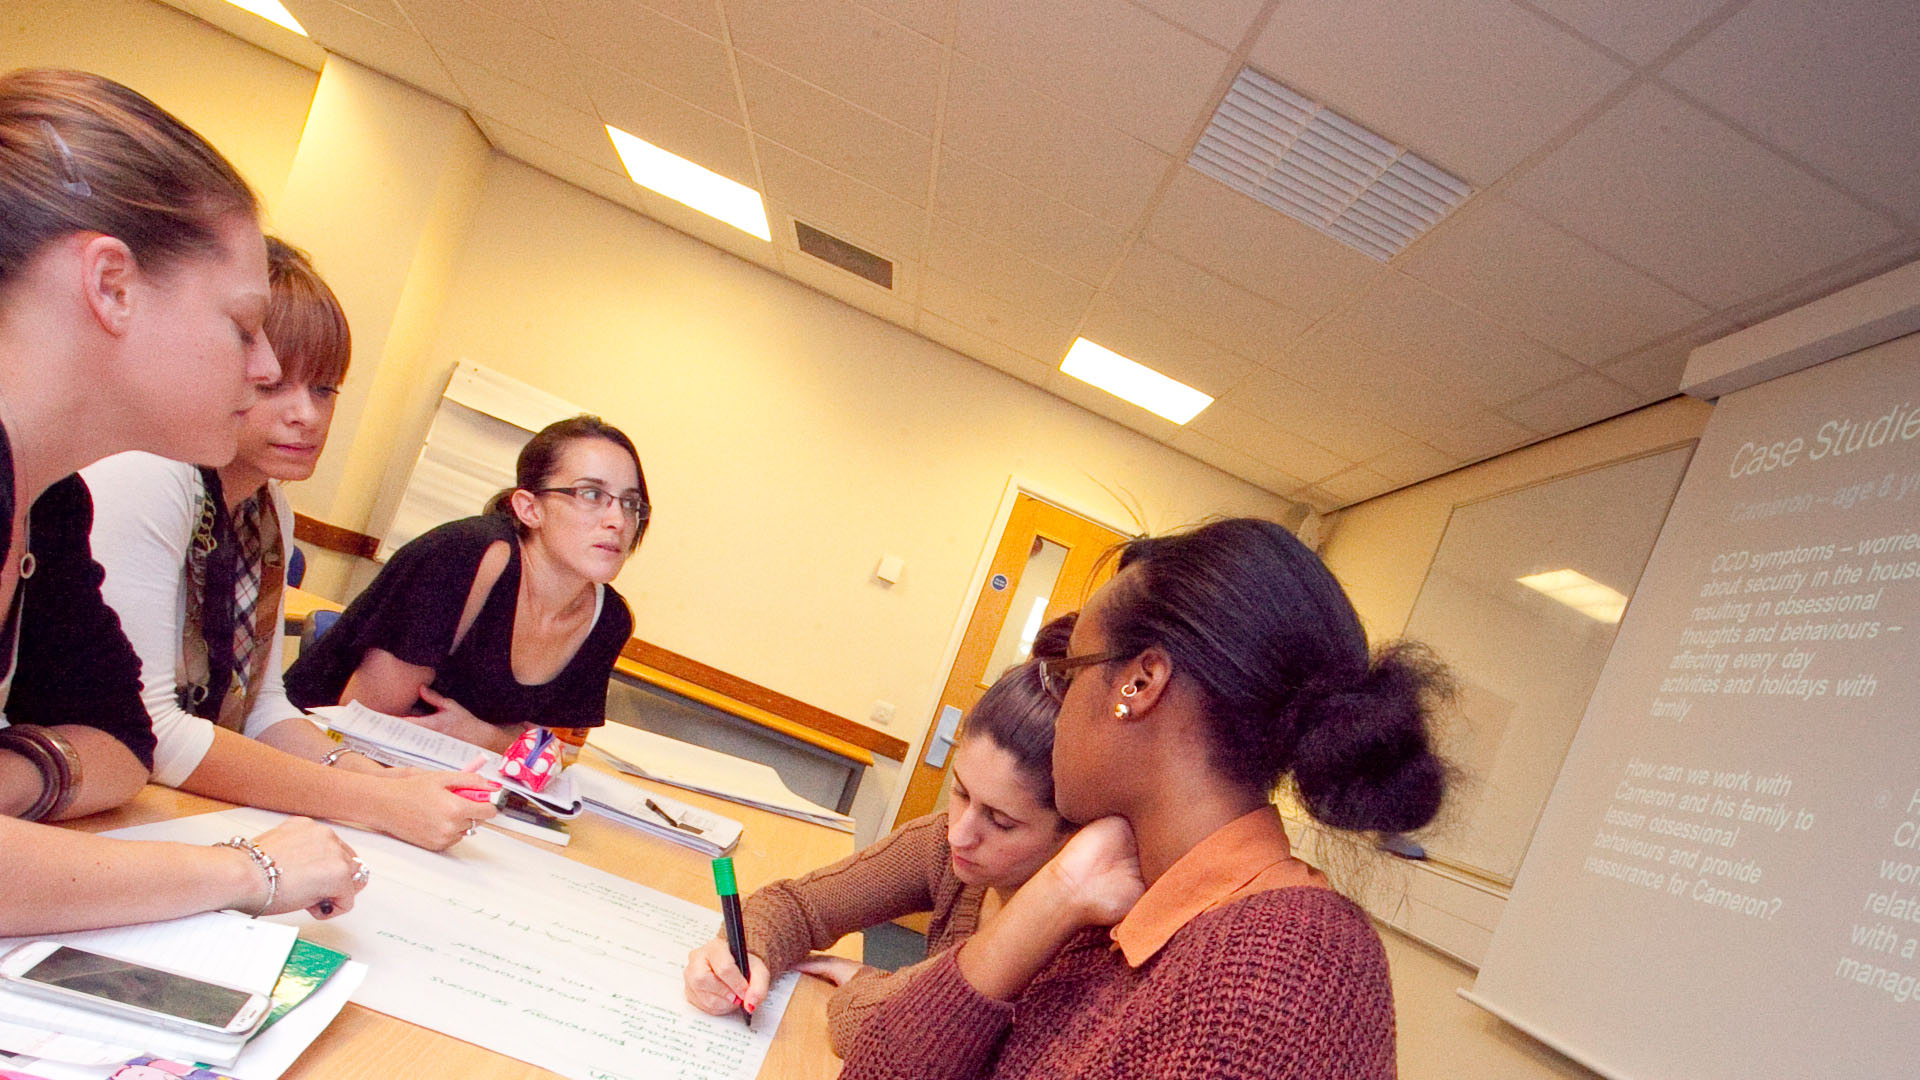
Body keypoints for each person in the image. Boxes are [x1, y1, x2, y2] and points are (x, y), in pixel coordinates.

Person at [839, 518, 1450, 1080]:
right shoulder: (1125, 892)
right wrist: (1055, 896)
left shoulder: (1287, 971)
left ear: (1139, 684)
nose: (1060, 698)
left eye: (1072, 669)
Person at [0, 68, 364, 933]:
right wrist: (249, 869)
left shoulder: (46, 503)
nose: (268, 370)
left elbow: (123, 741)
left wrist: (18, 774)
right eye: (243, 327)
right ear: (112, 286)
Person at [82, 237, 494, 852]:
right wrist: (374, 802)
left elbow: (262, 707)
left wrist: (373, 774)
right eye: (276, 385)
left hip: (155, 805)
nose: (307, 414)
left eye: (325, 389)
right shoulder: (150, 472)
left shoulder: (269, 505)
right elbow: (150, 729)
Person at [684, 615, 1077, 1053]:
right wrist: (746, 955)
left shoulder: (1072, 945)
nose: (959, 834)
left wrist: (866, 984)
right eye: (961, 793)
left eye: (1001, 821)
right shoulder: (944, 842)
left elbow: (887, 1038)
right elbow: (797, 905)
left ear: (1073, 834)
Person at [286, 415, 644, 752]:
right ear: (529, 508)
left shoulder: (609, 619)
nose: (617, 520)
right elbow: (359, 722)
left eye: (630, 503)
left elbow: (555, 754)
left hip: (446, 782)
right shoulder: (466, 555)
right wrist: (504, 742)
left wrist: (484, 736)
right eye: (592, 495)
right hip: (307, 750)